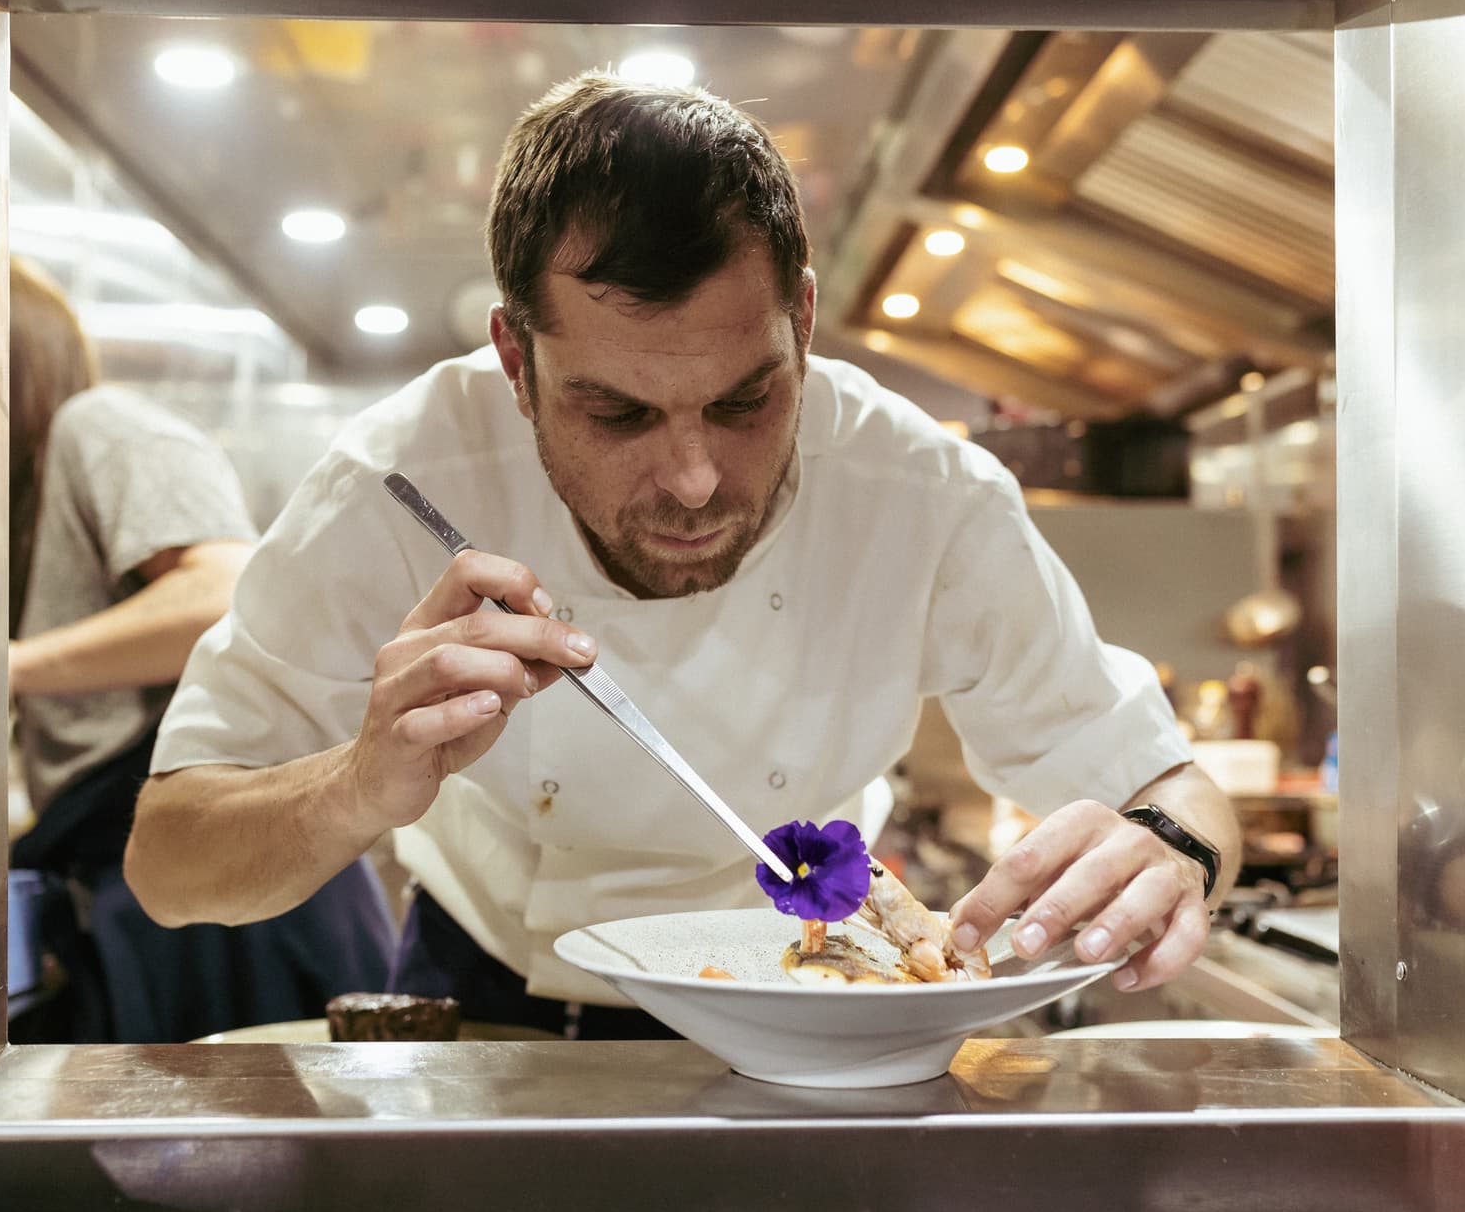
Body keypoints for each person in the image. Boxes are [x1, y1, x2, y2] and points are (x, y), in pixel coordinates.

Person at [126, 73, 1242, 1039]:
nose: (697, 478)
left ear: (801, 322)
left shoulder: (923, 493)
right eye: (616, 413)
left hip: (812, 1002)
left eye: (747, 398)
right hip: (484, 1009)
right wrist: (356, 783)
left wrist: (1172, 848)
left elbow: (1168, 783)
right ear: (516, 359)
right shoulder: (395, 482)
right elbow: (166, 864)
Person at [7, 257, 393, 1043]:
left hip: (225, 882)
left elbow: (220, 587)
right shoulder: (24, 498)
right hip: (161, 884)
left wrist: (8, 666)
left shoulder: (97, 424)